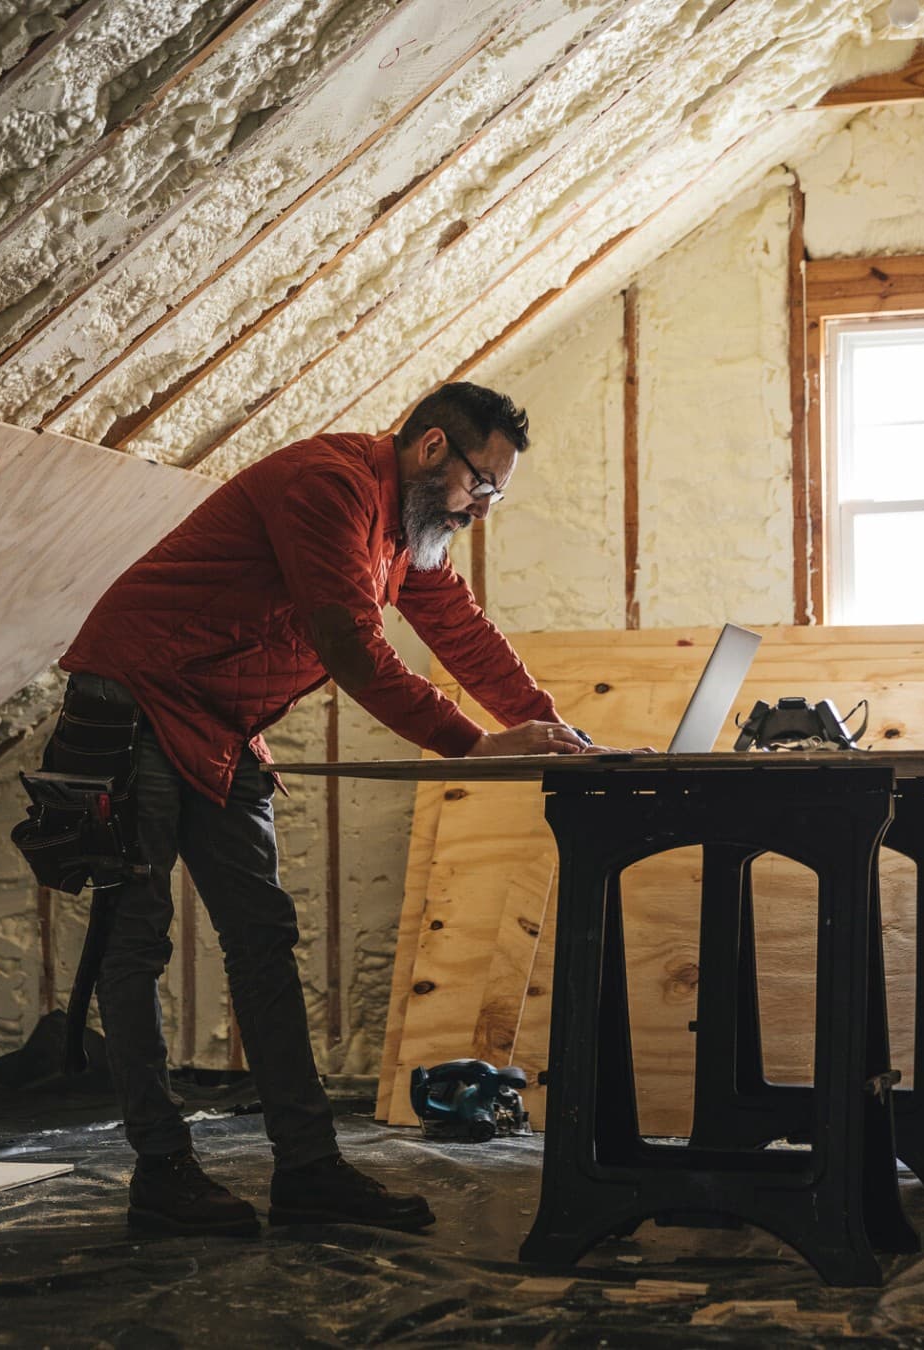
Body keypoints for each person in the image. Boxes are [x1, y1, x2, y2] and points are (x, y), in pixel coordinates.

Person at [46, 382, 596, 1238]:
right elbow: (350, 643)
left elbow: (456, 626)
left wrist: (550, 722)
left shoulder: (408, 527)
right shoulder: (329, 487)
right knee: (137, 941)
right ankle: (162, 1172)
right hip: (136, 699)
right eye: (480, 487)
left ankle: (308, 1171)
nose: (480, 509)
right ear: (431, 451)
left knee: (262, 935)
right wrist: (473, 746)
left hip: (221, 721)